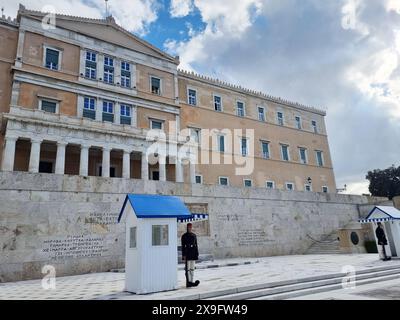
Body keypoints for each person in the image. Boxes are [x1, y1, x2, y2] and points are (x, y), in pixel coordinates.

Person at [181, 223, 200, 288]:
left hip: (193, 253)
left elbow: (196, 245)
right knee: (188, 269)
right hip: (187, 253)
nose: (189, 228)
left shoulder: (194, 235)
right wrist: (183, 255)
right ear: (187, 228)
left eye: (190, 227)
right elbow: (183, 246)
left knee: (192, 268)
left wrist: (197, 253)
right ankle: (188, 282)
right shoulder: (184, 236)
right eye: (188, 227)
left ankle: (191, 281)